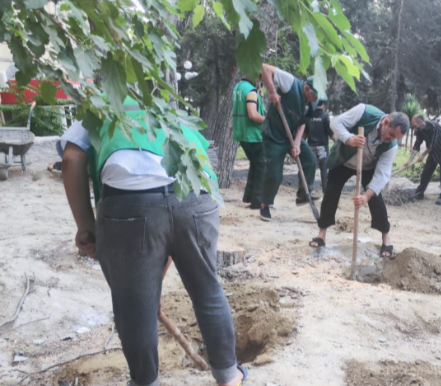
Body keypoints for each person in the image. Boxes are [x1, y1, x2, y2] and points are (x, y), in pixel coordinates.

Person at [59, 96, 246, 386]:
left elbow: (71, 159)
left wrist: (85, 224)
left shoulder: (100, 106)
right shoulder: (168, 111)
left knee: (133, 306)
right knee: (207, 291)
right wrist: (155, 279)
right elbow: (171, 226)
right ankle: (229, 377)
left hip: (130, 205)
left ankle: (146, 382)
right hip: (196, 196)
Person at [308, 104, 409, 257]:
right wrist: (350, 139)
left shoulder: (391, 146)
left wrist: (366, 196)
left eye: (396, 138)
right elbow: (335, 123)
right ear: (386, 122)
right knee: (331, 193)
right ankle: (321, 235)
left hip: (368, 166)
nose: (391, 139)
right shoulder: (363, 112)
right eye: (391, 135)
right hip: (344, 160)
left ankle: (386, 238)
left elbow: (382, 174)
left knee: (376, 199)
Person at [259, 63, 322, 221]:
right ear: (307, 89)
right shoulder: (290, 83)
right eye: (315, 95)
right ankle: (265, 205)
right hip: (274, 135)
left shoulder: (313, 103)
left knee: (310, 160)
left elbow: (302, 123)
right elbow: (264, 68)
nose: (317, 99)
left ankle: (302, 194)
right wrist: (272, 92)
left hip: (291, 136)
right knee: (274, 174)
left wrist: (297, 144)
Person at [233, 76, 266, 209]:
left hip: (241, 133)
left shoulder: (238, 87)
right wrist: (268, 120)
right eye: (260, 77)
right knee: (261, 166)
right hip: (254, 135)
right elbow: (252, 114)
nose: (260, 80)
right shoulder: (251, 91)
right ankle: (257, 201)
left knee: (255, 164)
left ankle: (249, 196)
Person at [405, 114, 441, 205]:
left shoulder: (434, 127)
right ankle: (419, 193)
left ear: (421, 122)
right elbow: (416, 145)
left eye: (415, 125)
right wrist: (410, 161)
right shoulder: (420, 130)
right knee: (426, 173)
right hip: (433, 154)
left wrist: (422, 155)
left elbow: (432, 145)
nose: (415, 128)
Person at [306, 99, 334, 190]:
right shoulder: (325, 116)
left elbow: (304, 133)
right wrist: (338, 143)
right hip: (322, 147)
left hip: (310, 146)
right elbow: (330, 132)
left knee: (310, 169)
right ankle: (325, 191)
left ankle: (308, 191)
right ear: (323, 105)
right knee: (324, 169)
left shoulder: (309, 115)